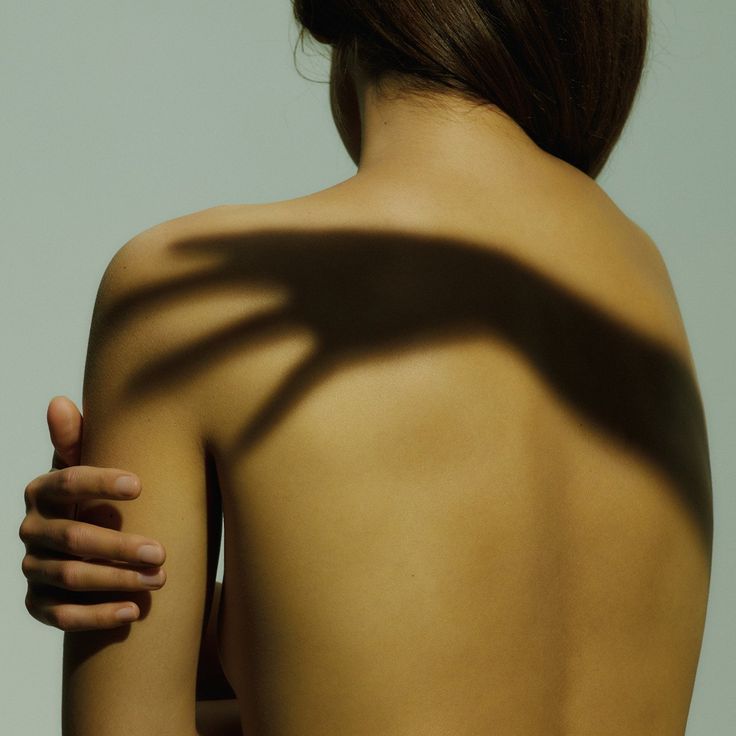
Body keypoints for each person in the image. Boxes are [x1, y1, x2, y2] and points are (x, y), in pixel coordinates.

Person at [19, 1, 714, 734]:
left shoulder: (188, 288)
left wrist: (132, 618)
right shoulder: (640, 281)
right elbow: (474, 654)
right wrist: (187, 610)